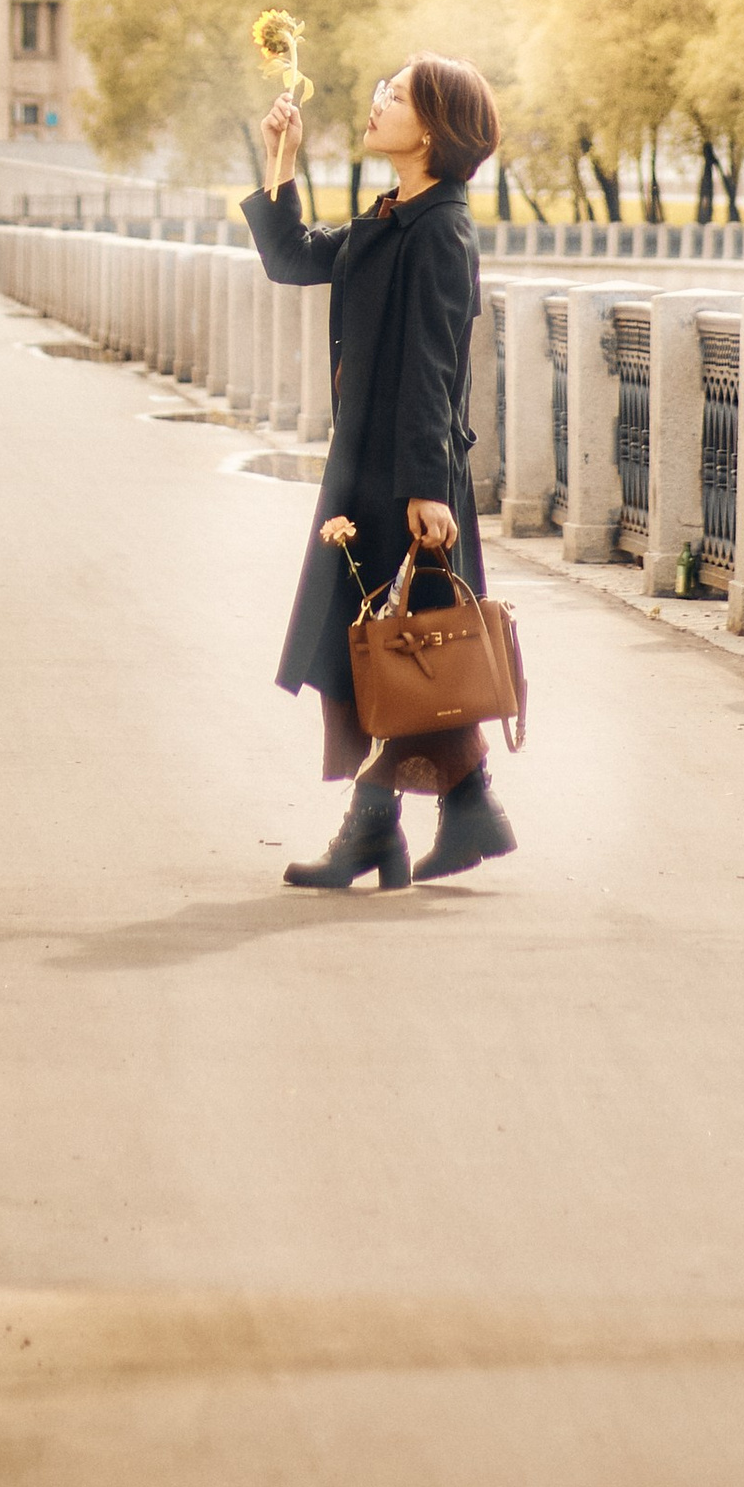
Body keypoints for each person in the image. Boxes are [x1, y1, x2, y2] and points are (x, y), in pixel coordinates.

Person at [244, 54, 515, 891]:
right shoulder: (393, 215)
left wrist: (428, 487)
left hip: (408, 478)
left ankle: (385, 827)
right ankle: (459, 811)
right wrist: (281, 158)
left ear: (431, 128)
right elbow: (290, 256)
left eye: (394, 96)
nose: (376, 103)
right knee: (378, 647)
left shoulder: (441, 231)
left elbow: (436, 365)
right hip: (368, 471)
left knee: (408, 649)